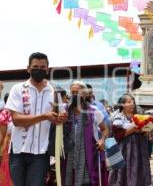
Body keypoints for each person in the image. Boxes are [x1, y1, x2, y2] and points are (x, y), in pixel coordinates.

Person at [5, 52, 67, 186]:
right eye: (35, 66)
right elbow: (16, 120)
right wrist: (45, 116)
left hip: (41, 154)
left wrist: (61, 118)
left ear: (47, 69)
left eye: (42, 67)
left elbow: (59, 118)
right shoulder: (17, 89)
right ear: (28, 68)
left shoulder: (54, 92)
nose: (39, 69)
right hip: (18, 152)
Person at [62, 81, 109, 186]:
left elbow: (105, 129)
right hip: (69, 155)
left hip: (88, 156)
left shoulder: (94, 111)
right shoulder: (65, 111)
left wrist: (102, 140)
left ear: (84, 94)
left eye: (77, 92)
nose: (74, 95)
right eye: (72, 92)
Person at [109, 93, 151, 186]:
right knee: (123, 173)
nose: (132, 104)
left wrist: (146, 129)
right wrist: (133, 129)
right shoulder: (118, 117)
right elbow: (118, 135)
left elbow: (146, 132)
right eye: (129, 102)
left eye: (133, 102)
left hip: (139, 150)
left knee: (138, 171)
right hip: (124, 150)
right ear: (123, 105)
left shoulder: (139, 116)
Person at [0, 93, 13, 186]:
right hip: (8, 147)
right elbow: (2, 134)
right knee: (8, 171)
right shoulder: (5, 113)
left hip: (22, 146)